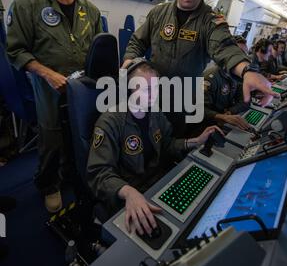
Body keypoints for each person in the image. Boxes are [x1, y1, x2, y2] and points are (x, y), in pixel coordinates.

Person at [6, 0, 102, 213]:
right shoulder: (27, 5)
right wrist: (47, 74)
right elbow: (15, 51)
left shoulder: (90, 10)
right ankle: (48, 184)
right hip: (48, 88)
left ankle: (72, 176)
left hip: (81, 89)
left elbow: (96, 52)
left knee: (80, 134)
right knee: (52, 139)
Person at [122, 0, 277, 121]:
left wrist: (247, 71)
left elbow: (224, 47)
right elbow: (137, 41)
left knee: (173, 141)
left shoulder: (211, 21)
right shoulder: (158, 13)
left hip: (182, 102)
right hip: (151, 93)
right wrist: (129, 62)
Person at [86, 59, 222, 235]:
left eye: (156, 88)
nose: (153, 95)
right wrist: (128, 192)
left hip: (158, 184)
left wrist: (195, 141)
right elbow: (98, 172)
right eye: (145, 89)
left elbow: (167, 144)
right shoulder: (109, 122)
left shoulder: (154, 112)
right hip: (131, 193)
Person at [203, 65, 250, 131]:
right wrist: (221, 117)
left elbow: (245, 101)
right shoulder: (209, 78)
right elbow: (199, 109)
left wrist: (230, 112)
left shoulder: (239, 73)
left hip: (227, 116)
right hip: (210, 122)